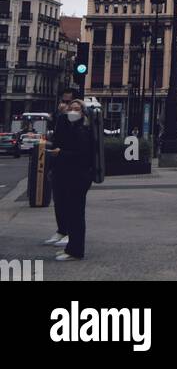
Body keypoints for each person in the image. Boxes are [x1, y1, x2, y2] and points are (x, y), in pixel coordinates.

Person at [48, 99, 94, 260]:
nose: (73, 112)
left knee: (75, 213)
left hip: (79, 176)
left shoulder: (83, 130)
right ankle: (71, 248)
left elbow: (82, 156)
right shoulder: (73, 127)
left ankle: (75, 250)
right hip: (71, 175)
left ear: (83, 113)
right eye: (71, 109)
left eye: (77, 109)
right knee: (71, 212)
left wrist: (61, 153)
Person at [43, 91, 75, 249]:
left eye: (68, 102)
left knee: (69, 201)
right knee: (59, 200)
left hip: (71, 166)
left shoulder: (77, 121)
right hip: (58, 164)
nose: (64, 105)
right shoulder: (60, 118)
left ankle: (70, 232)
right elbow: (55, 137)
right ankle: (61, 230)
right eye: (63, 101)